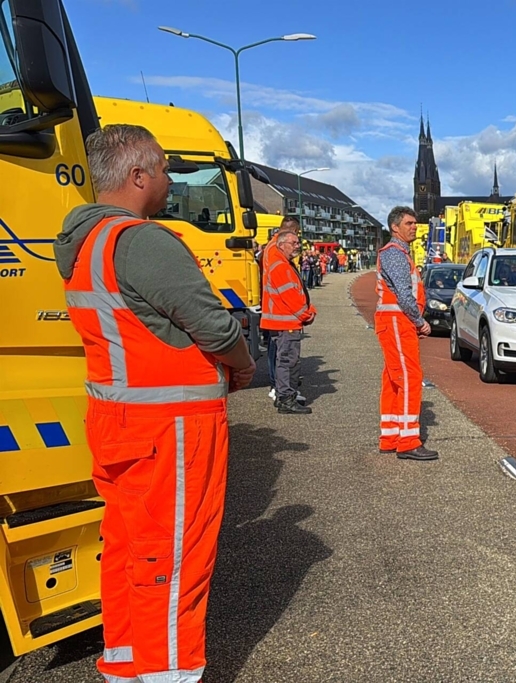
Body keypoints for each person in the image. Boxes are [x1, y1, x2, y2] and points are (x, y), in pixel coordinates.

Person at [55, 124, 256, 683]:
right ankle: (168, 673)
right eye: (164, 169)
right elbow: (213, 326)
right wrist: (242, 365)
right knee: (173, 558)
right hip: (171, 428)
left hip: (117, 419)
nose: (169, 180)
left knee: (125, 550)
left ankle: (124, 663)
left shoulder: (82, 244)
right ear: (138, 176)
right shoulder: (141, 242)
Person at [376, 206, 437, 461]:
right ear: (395, 227)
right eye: (409, 223)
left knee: (393, 378)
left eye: (416, 223)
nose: (415, 226)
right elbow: (404, 294)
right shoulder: (395, 254)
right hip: (398, 322)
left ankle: (390, 435)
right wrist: (419, 321)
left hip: (394, 322)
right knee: (410, 377)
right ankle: (409, 440)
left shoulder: (397, 253)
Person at [262, 230, 317, 414]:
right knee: (288, 362)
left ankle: (284, 396)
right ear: (282, 244)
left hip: (283, 322)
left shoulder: (281, 263)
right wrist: (307, 314)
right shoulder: (280, 266)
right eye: (293, 243)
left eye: (297, 243)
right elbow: (291, 297)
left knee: (285, 360)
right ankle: (286, 398)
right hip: (286, 323)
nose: (297, 246)